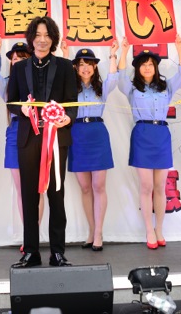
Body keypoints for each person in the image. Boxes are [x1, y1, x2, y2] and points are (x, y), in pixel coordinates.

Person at [7, 16, 78, 268]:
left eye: (47, 35)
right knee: (29, 197)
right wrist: (22, 109)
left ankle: (57, 252)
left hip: (57, 139)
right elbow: (11, 101)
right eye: (38, 35)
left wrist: (66, 119)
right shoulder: (19, 68)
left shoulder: (66, 66)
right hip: (28, 139)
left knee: (56, 196)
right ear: (31, 38)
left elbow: (72, 103)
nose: (42, 40)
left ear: (53, 38)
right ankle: (31, 252)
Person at [118, 37, 181, 248]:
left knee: (160, 186)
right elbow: (120, 76)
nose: (147, 67)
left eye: (150, 64)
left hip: (161, 134)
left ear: (156, 67)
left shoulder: (165, 86)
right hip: (142, 134)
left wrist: (180, 49)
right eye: (143, 64)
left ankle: (159, 229)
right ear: (138, 68)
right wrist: (124, 51)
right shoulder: (132, 88)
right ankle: (149, 229)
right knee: (146, 186)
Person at [0, 28, 44, 251]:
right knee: (22, 189)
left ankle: (34, 234)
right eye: (14, 58)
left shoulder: (40, 81)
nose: (17, 61)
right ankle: (28, 235)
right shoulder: (8, 84)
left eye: (22, 57)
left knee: (38, 188)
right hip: (15, 132)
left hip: (38, 131)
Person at [60, 41, 119, 251]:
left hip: (97, 135)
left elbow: (114, 78)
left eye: (89, 64)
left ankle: (99, 233)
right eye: (81, 64)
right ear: (75, 67)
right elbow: (62, 78)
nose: (85, 68)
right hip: (76, 135)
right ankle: (91, 230)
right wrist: (65, 54)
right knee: (85, 187)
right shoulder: (70, 89)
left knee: (98, 186)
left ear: (95, 67)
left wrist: (113, 55)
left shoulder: (101, 88)